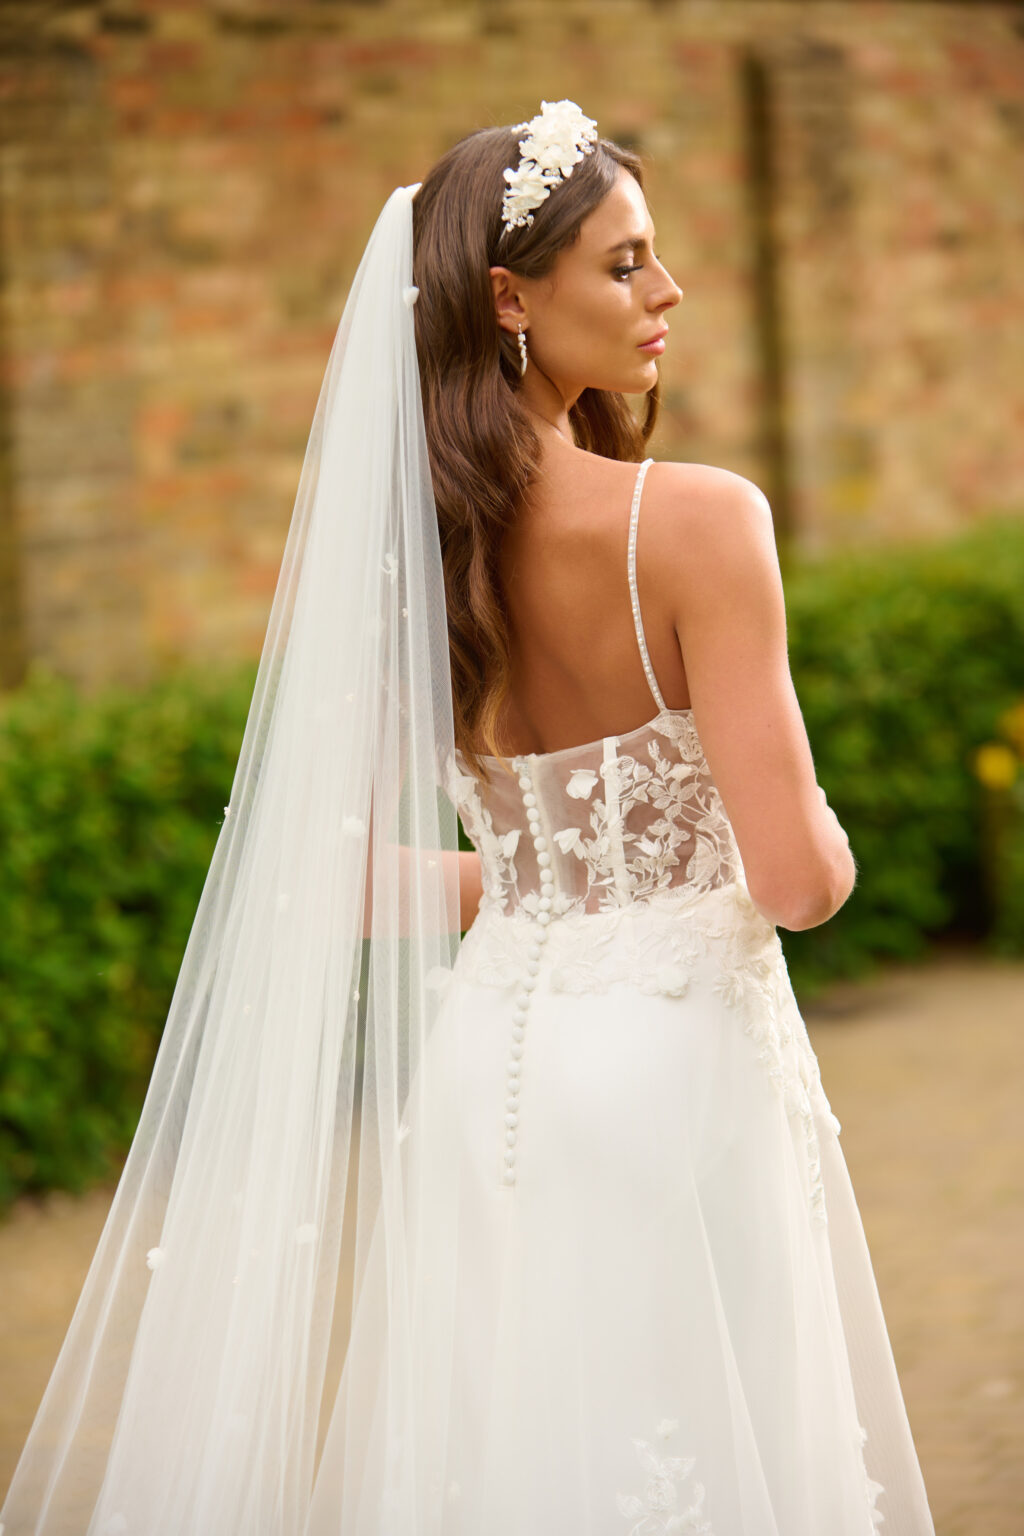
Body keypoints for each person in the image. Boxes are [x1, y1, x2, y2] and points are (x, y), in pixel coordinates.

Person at [1, 102, 935, 1535]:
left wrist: (544, 889)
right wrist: (808, 841)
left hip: (484, 1070)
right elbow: (799, 883)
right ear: (510, 298)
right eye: (624, 263)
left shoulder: (412, 560)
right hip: (674, 1076)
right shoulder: (700, 524)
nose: (669, 289)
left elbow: (325, 875)